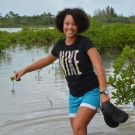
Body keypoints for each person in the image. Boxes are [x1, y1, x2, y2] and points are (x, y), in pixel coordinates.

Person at [14, 8, 110, 135]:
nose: (70, 27)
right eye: (67, 23)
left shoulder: (85, 42)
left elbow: (99, 67)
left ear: (80, 25)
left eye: (74, 24)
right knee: (77, 130)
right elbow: (46, 60)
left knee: (78, 126)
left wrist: (103, 93)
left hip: (91, 91)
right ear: (62, 24)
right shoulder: (59, 46)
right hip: (74, 95)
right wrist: (25, 70)